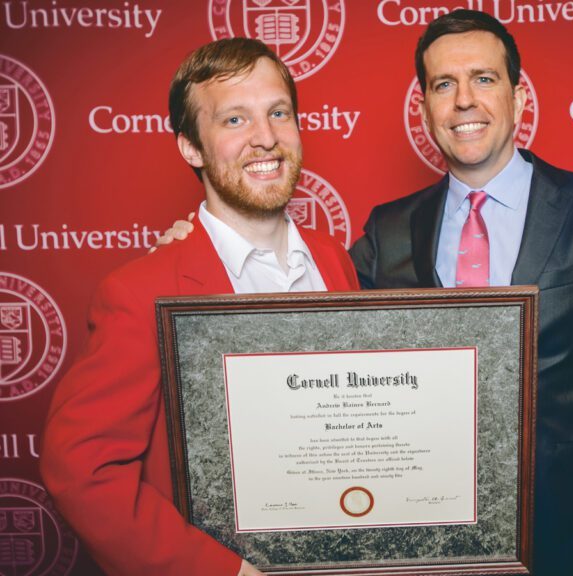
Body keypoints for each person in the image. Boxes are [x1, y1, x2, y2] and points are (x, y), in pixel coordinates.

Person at [348, 10, 573, 576]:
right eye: (443, 84)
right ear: (425, 108)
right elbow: (306, 316)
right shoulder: (388, 229)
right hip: (425, 534)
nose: (463, 100)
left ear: (520, 99)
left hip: (568, 529)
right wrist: (210, 236)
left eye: (484, 78)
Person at [40, 38, 359, 576]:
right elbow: (81, 468)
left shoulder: (334, 261)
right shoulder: (143, 290)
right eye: (235, 120)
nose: (265, 138)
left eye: (278, 113)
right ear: (190, 147)